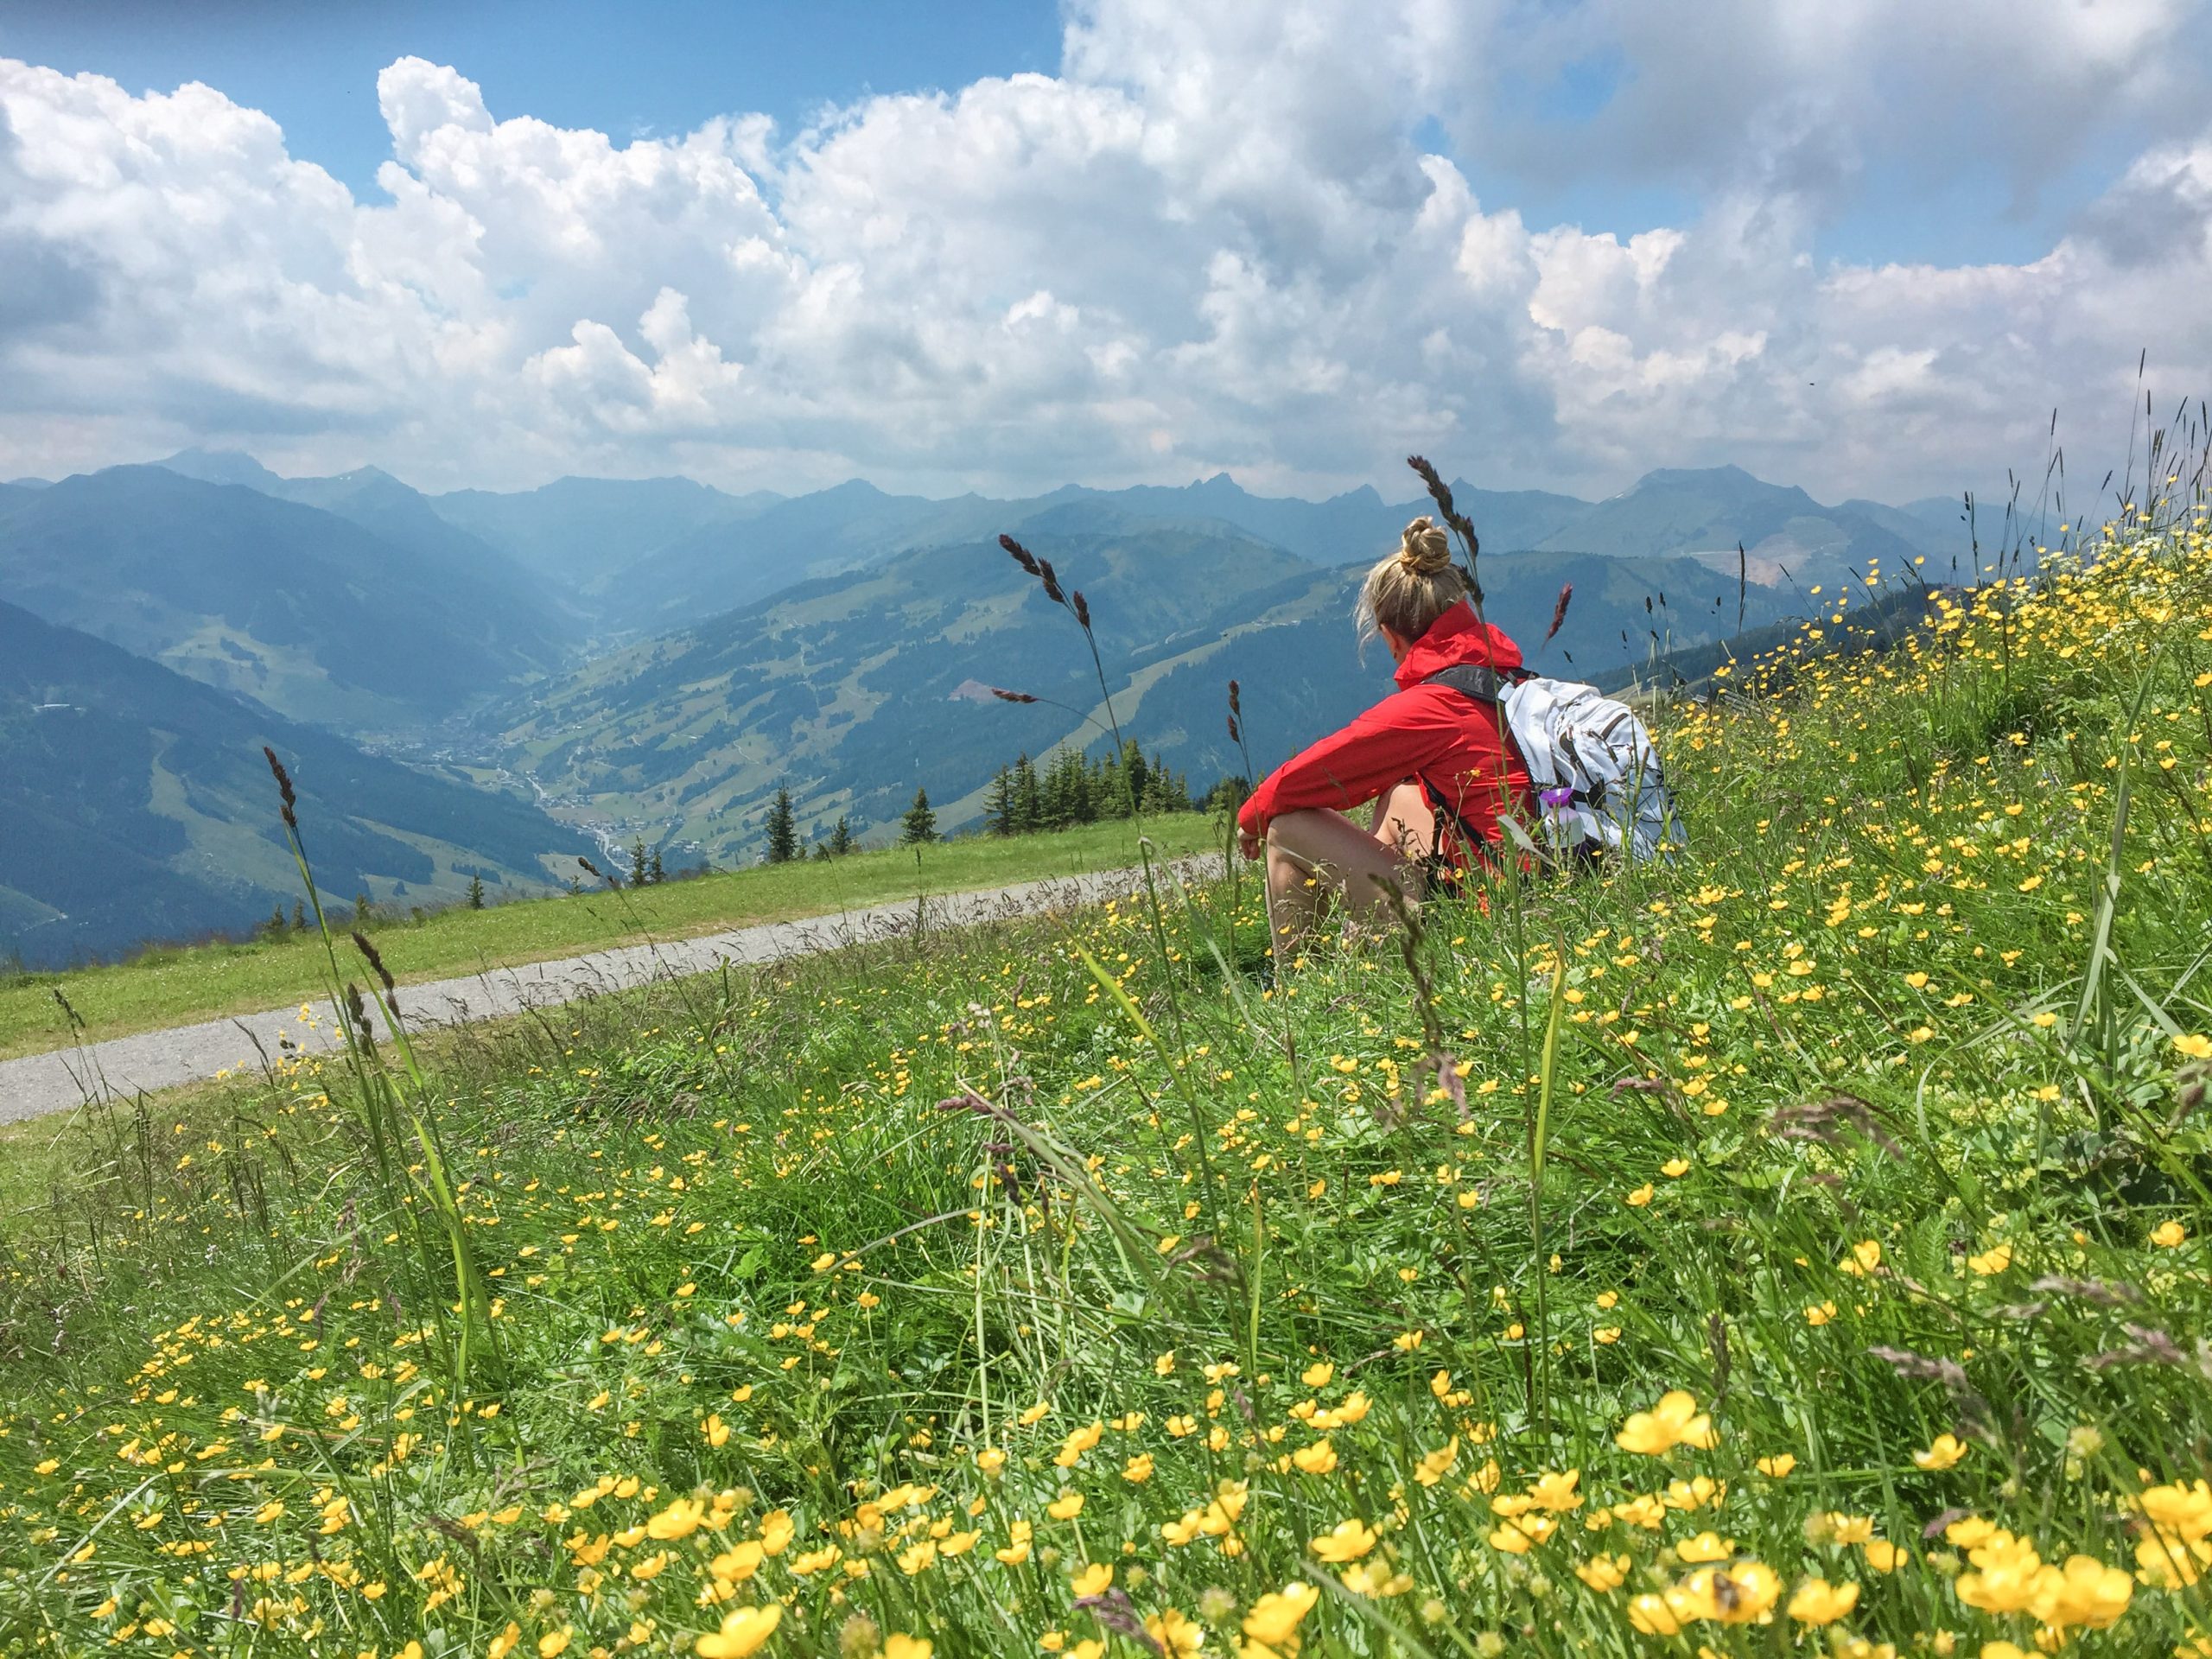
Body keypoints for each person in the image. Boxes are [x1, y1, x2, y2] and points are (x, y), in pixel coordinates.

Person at [1236, 516, 1533, 944]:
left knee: (1285, 827)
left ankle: (1304, 998)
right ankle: (1363, 945)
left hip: (1492, 917)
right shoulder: (1510, 681)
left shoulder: (1432, 706)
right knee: (1399, 794)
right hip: (1544, 880)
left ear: (1391, 637)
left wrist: (1252, 819)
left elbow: (1319, 772)